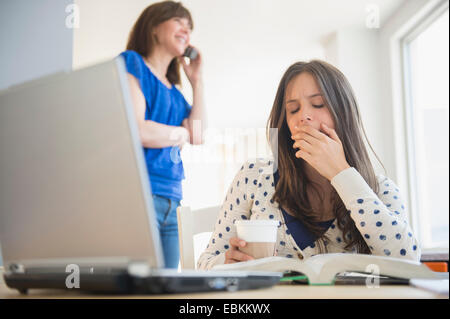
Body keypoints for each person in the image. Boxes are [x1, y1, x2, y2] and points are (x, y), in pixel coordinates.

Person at [198, 60, 420, 269]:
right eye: (293, 109)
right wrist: (225, 265)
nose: (303, 116)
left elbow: (408, 261)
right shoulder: (254, 176)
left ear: (343, 114)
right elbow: (205, 263)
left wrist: (340, 172)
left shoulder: (380, 190)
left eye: (318, 104)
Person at [119, 1, 205, 268]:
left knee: (164, 288)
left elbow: (199, 134)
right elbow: (138, 129)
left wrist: (197, 80)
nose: (186, 30)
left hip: (173, 199)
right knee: (137, 287)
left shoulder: (176, 94)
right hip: (141, 192)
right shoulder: (132, 62)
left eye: (189, 27)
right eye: (179, 21)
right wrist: (180, 133)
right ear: (154, 27)